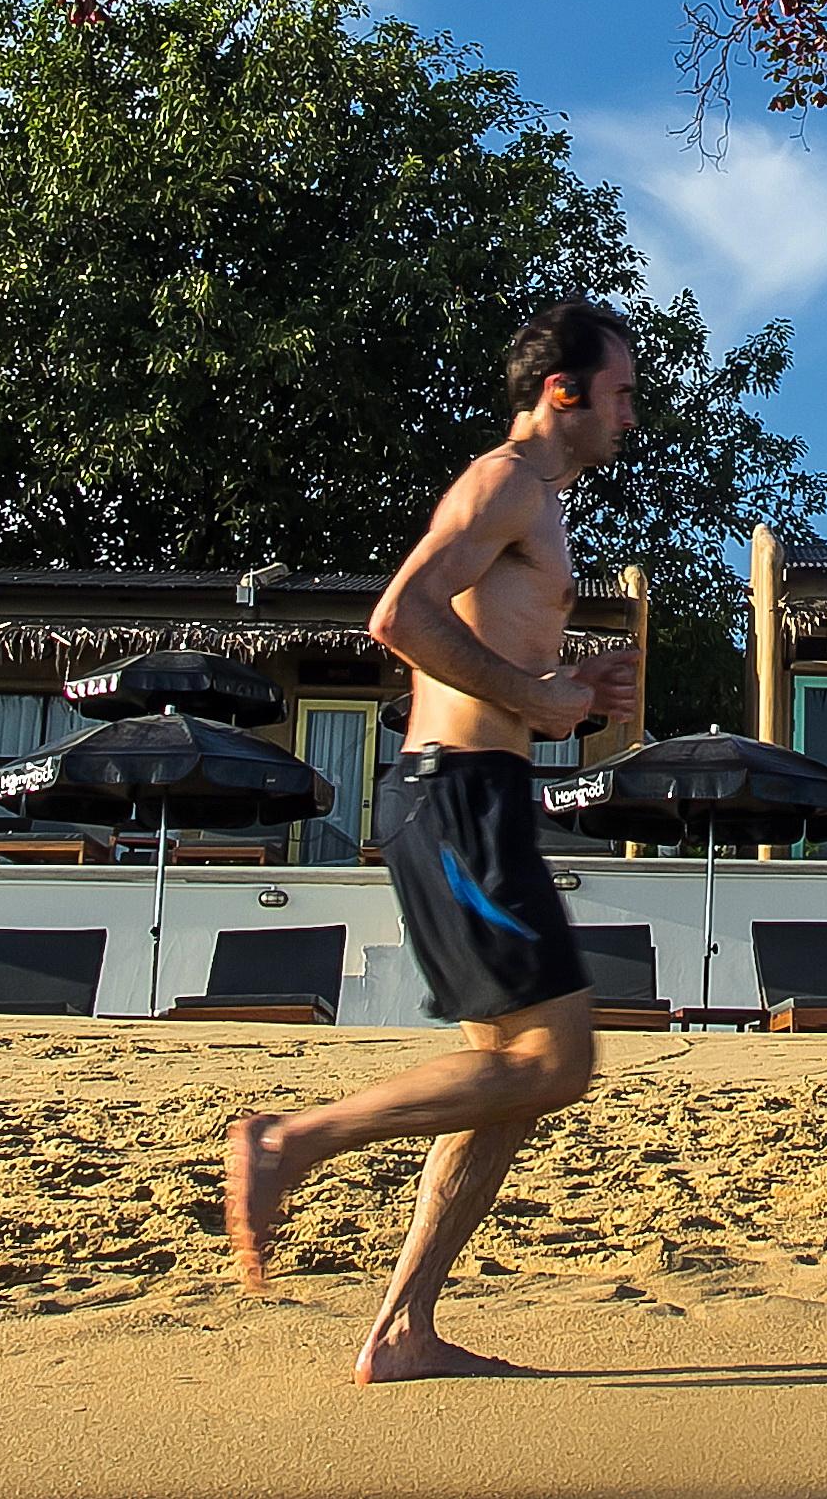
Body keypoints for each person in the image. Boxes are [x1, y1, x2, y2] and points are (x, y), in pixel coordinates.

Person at [221, 300, 644, 1382]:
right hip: (456, 803)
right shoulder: (502, 482)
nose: (629, 419)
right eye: (620, 395)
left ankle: (403, 1329)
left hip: (474, 796)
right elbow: (399, 617)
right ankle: (293, 1140)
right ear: (564, 394)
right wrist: (533, 698)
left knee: (505, 1076)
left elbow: (504, 670)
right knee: (555, 1061)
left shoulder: (537, 505)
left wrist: (567, 695)